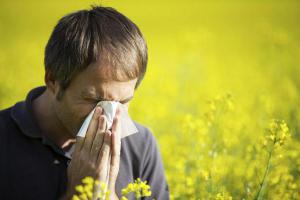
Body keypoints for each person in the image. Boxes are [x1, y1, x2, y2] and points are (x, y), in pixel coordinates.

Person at [0, 5, 170, 200]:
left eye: (123, 102)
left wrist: (107, 196)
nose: (108, 118)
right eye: (94, 100)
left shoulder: (141, 145)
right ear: (53, 81)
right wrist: (77, 194)